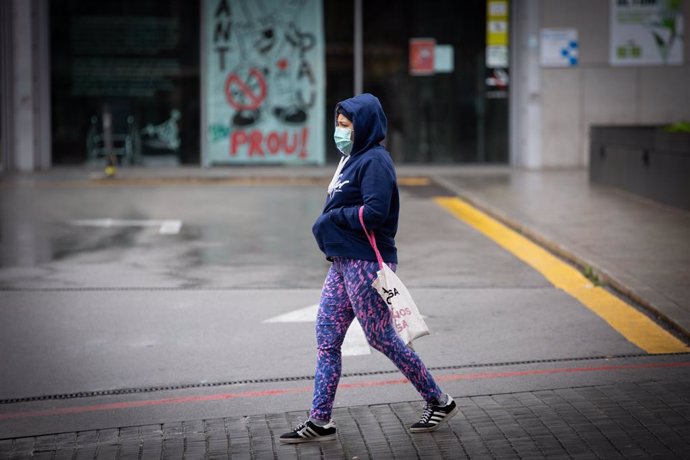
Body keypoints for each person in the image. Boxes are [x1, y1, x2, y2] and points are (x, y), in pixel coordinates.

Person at [279, 93, 457, 444]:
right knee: (327, 338)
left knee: (380, 337)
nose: (339, 131)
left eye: (345, 125)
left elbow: (376, 212)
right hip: (343, 262)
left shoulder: (375, 161)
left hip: (365, 262)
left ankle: (439, 400)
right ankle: (320, 419)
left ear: (363, 127)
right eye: (338, 124)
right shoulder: (350, 159)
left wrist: (334, 217)